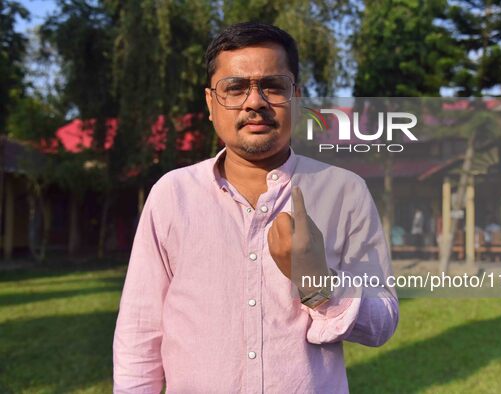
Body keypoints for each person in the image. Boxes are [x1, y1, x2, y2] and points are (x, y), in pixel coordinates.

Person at [112, 22, 399, 393]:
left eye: (273, 87)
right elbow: (140, 331)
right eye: (234, 88)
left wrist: (316, 281)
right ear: (211, 104)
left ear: (296, 98)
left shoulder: (345, 192)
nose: (255, 102)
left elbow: (383, 322)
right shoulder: (173, 195)